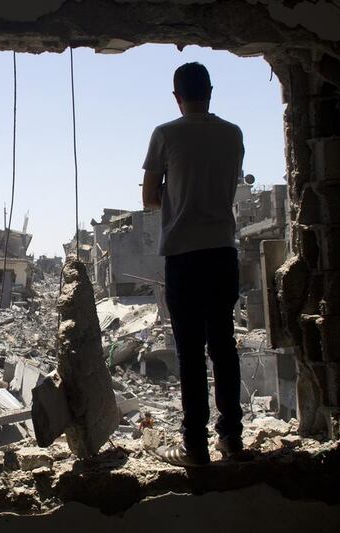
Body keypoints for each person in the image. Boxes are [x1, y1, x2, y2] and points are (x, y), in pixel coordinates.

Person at [142, 62, 245, 466]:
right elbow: (227, 182)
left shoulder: (165, 134)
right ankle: (232, 439)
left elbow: (150, 197)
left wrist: (173, 189)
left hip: (184, 256)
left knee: (189, 351)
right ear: (211, 91)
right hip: (223, 251)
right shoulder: (233, 134)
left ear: (176, 96)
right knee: (224, 345)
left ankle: (195, 446)